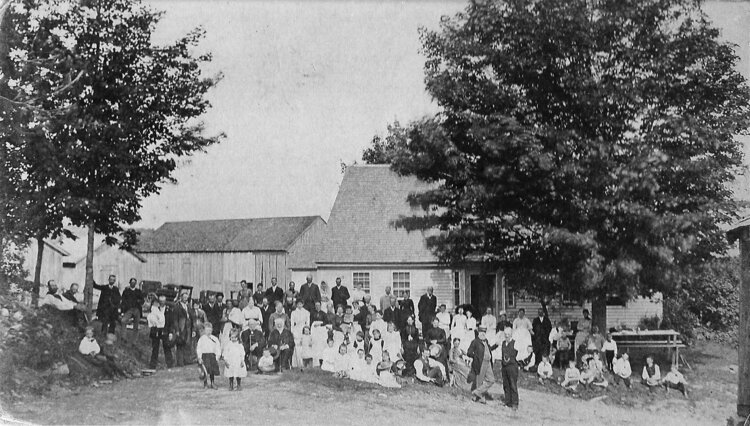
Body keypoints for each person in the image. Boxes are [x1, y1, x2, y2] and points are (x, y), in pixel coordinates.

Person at [467, 326, 498, 404]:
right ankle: (480, 398)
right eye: (481, 332)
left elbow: (489, 349)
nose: (483, 334)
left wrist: (496, 345)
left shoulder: (486, 341)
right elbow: (469, 352)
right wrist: (476, 357)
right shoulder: (475, 341)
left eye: (484, 332)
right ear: (478, 333)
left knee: (491, 380)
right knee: (479, 381)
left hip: (488, 362)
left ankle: (477, 392)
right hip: (480, 363)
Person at [147, 295, 173, 369]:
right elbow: (151, 319)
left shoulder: (168, 310)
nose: (162, 303)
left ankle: (170, 365)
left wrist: (170, 332)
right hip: (156, 331)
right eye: (160, 301)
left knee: (167, 348)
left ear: (165, 302)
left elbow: (171, 323)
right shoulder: (154, 309)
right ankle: (152, 365)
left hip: (165, 331)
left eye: (163, 301)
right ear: (159, 301)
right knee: (155, 348)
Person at [172, 291, 196, 367]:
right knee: (180, 344)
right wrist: (177, 330)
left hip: (188, 327)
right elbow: (175, 320)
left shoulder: (189, 306)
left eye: (187, 297)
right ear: (181, 297)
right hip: (181, 327)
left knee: (187, 343)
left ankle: (187, 360)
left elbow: (192, 318)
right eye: (184, 297)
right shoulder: (177, 307)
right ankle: (180, 362)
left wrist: (193, 329)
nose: (185, 299)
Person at [500, 326, 520, 410]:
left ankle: (515, 403)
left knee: (513, 385)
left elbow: (519, 355)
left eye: (508, 334)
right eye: (505, 334)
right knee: (506, 385)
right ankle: (507, 401)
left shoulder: (516, 343)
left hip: (512, 366)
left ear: (511, 334)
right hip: (504, 367)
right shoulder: (503, 343)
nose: (507, 336)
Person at [196, 323, 221, 389]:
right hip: (204, 356)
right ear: (204, 330)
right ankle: (205, 383)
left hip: (212, 356)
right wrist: (199, 357)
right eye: (207, 330)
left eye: (210, 330)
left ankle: (212, 382)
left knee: (212, 370)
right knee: (205, 370)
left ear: (212, 330)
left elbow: (218, 348)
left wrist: (217, 356)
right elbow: (199, 348)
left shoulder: (215, 339)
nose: (208, 332)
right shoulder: (201, 339)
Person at [291, 300, 310, 367]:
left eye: (301, 304)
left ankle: (304, 363)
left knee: (304, 346)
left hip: (304, 330)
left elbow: (307, 323)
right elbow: (292, 324)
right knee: (297, 346)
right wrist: (292, 332)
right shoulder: (293, 313)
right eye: (298, 304)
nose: (299, 305)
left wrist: (307, 331)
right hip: (296, 330)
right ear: (296, 305)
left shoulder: (306, 312)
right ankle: (297, 363)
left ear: (303, 304)